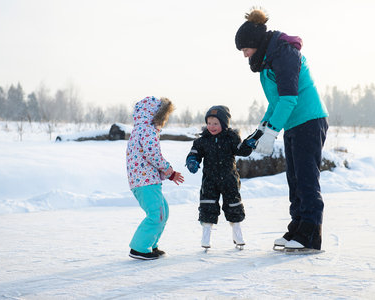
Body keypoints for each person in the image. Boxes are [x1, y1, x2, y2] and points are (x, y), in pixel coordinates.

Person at [235, 8, 329, 251]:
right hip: (295, 124)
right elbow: (275, 103)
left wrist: (272, 131)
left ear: (255, 43)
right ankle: (297, 228)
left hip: (309, 120)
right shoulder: (268, 63)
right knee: (294, 179)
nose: (245, 56)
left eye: (245, 50)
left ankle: (310, 233)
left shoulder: (285, 55)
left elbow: (289, 99)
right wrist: (258, 133)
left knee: (307, 179)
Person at [186, 105, 255, 249]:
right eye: (209, 123)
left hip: (229, 178)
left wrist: (248, 145)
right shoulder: (203, 139)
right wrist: (192, 160)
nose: (211, 126)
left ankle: (237, 233)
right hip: (210, 180)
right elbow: (194, 152)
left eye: (215, 123)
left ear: (224, 124)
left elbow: (241, 151)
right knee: (207, 206)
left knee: (233, 206)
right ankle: (206, 236)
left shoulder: (231, 138)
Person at [126, 96, 184, 260]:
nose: (164, 121)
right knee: (156, 214)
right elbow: (152, 154)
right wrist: (169, 171)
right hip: (145, 182)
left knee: (162, 211)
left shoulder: (140, 130)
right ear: (155, 115)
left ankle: (151, 244)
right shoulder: (147, 130)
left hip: (146, 181)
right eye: (163, 117)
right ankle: (138, 248)